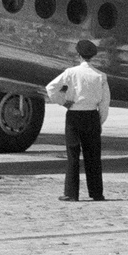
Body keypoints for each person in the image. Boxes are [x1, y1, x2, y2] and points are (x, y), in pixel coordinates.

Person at [46, 39, 111, 202]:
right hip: (92, 115)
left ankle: (71, 193)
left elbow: (51, 88)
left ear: (78, 54)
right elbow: (105, 102)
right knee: (93, 156)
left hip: (74, 114)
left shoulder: (71, 72)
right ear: (92, 56)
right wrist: (99, 122)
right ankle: (97, 193)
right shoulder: (100, 76)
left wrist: (63, 101)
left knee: (73, 155)